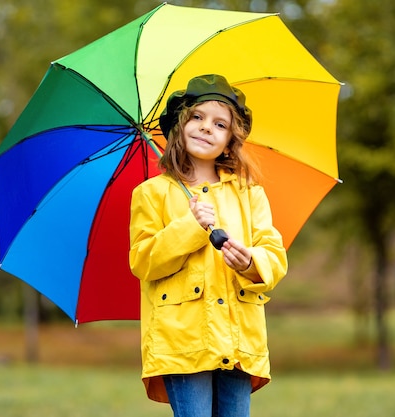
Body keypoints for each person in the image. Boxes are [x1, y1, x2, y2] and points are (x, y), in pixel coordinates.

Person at [129, 74, 288, 417]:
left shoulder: (249, 193)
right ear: (179, 126)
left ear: (231, 140)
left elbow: (274, 255)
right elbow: (143, 261)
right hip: (182, 340)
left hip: (238, 337)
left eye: (219, 124)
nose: (205, 128)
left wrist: (250, 262)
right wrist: (190, 227)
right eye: (197, 118)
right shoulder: (151, 194)